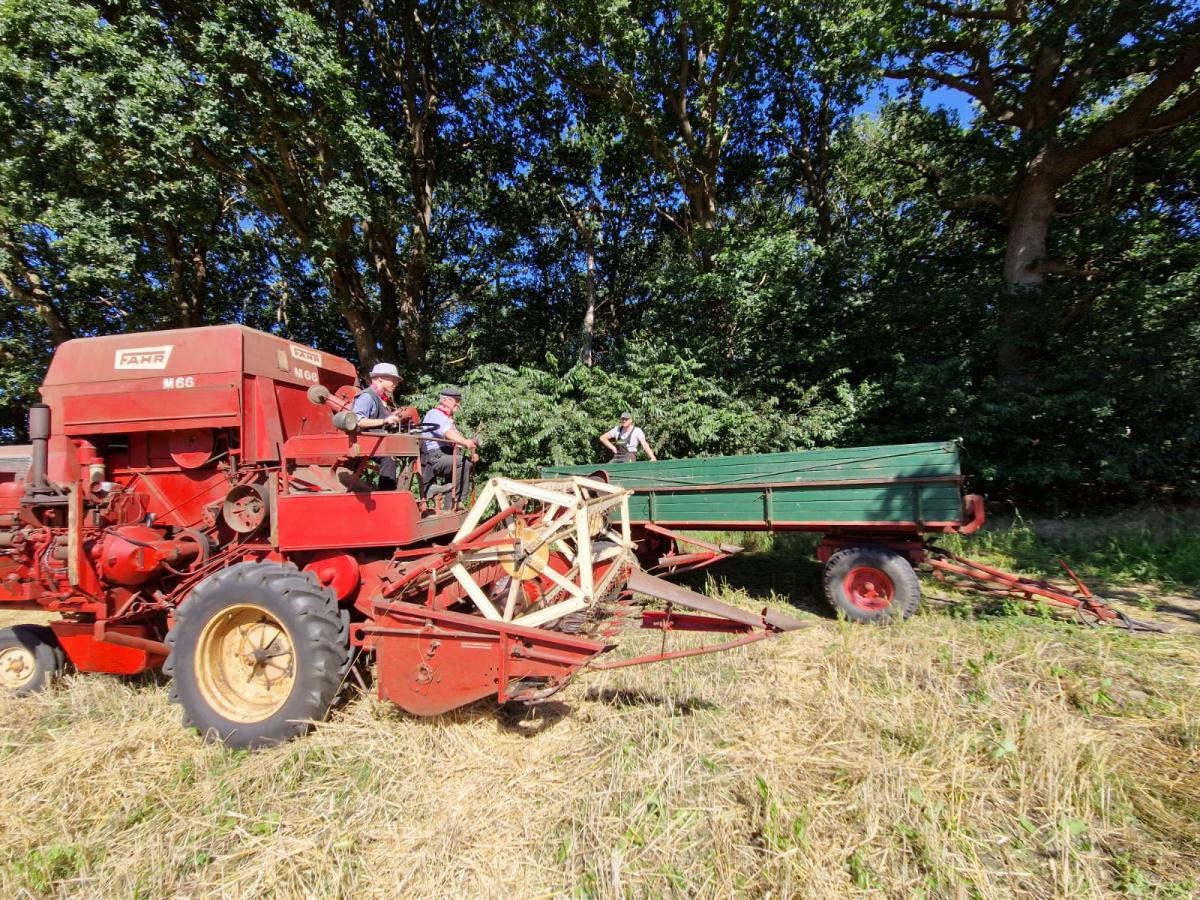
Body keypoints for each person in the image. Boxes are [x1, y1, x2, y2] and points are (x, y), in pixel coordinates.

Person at [420, 388, 478, 508]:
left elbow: (457, 438)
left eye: (459, 401)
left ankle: (450, 505)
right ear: (445, 400)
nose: (458, 404)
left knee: (463, 462)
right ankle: (455, 502)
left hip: (446, 454)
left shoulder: (447, 419)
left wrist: (470, 446)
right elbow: (447, 433)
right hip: (434, 457)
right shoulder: (435, 414)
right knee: (463, 463)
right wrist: (464, 442)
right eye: (455, 400)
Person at [351, 362, 404, 490]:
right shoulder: (367, 396)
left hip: (378, 442)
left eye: (397, 380)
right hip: (364, 442)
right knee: (388, 459)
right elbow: (358, 421)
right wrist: (384, 421)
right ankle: (386, 497)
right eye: (393, 379)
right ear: (379, 378)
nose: (396, 383)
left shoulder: (382, 399)